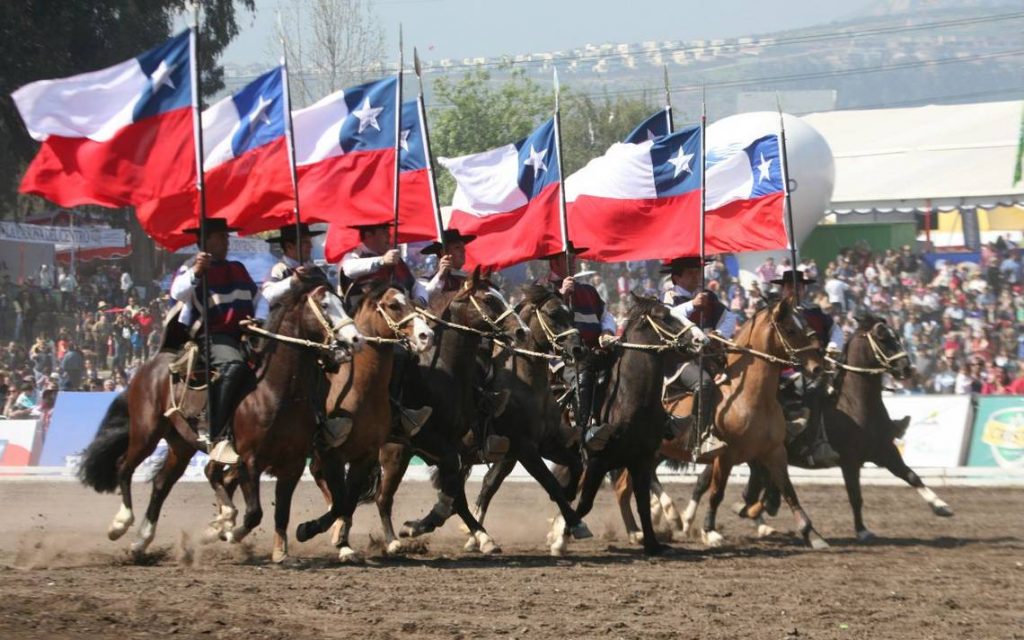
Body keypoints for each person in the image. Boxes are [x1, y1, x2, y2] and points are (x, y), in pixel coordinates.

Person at [169, 218, 257, 464]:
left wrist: (257, 320)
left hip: (246, 334)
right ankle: (216, 434)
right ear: (205, 241)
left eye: (226, 237)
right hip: (211, 336)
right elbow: (177, 293)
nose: (226, 242)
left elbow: (259, 299)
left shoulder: (238, 268)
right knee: (233, 366)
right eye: (221, 237)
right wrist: (197, 271)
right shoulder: (191, 268)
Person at [339, 221, 430, 436]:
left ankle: (402, 410)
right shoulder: (354, 258)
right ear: (368, 235)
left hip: (394, 329)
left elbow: (416, 285)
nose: (389, 237)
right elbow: (348, 270)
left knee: (414, 358)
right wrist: (381, 261)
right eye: (384, 233)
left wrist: (420, 298)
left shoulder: (398, 263)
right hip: (359, 331)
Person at [538, 244, 618, 450]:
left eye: (574, 259)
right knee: (585, 369)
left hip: (595, 349)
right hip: (562, 355)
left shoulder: (588, 290)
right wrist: (561, 295)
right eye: (567, 259)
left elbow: (606, 315)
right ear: (554, 262)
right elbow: (541, 321)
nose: (573, 262)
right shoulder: (542, 288)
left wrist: (607, 331)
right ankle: (585, 427)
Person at [661, 256, 736, 460]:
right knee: (703, 384)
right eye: (691, 273)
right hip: (679, 360)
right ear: (677, 277)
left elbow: (730, 317)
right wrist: (692, 305)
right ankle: (699, 438)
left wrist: (720, 334)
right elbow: (666, 317)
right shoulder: (670, 297)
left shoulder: (708, 296)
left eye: (698, 272)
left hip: (709, 357)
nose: (696, 276)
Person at [773, 270, 841, 467]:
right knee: (814, 388)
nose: (795, 290)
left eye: (799, 286)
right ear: (783, 289)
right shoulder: (775, 313)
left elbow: (836, 331)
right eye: (790, 286)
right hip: (784, 370)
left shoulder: (815, 312)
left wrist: (833, 346)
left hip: (815, 368)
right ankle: (810, 441)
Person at [420, 229, 476, 306]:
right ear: (443, 253)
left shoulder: (470, 279)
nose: (463, 250)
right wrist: (440, 276)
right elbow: (423, 300)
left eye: (463, 247)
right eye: (457, 247)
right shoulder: (426, 279)